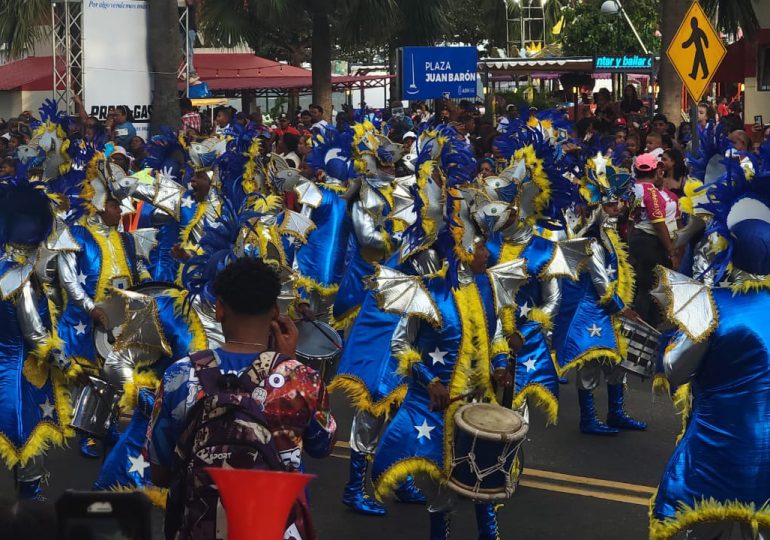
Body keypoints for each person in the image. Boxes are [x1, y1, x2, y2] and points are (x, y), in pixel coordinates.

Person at [146, 257, 336, 539]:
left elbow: (160, 473)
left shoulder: (181, 374)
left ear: (220, 309)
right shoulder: (301, 378)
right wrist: (290, 363)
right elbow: (323, 445)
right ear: (274, 312)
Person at [650, 158, 770, 540]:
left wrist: (672, 332)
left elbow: (673, 370)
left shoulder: (712, 305)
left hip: (717, 445)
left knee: (705, 524)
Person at [628, 153, 677, 326]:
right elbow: (658, 223)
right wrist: (671, 250)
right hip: (650, 244)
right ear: (656, 170)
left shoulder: (631, 188)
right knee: (650, 288)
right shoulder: (651, 192)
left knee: (641, 286)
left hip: (635, 240)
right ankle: (646, 326)